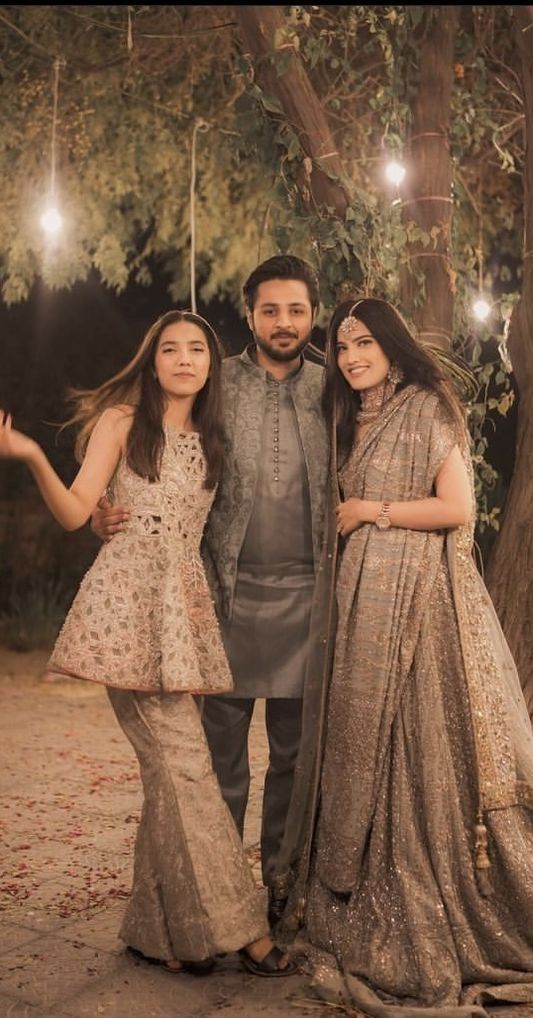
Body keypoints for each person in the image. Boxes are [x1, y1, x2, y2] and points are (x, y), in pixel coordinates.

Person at [273, 297, 533, 1015]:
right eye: (342, 348)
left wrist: (372, 511)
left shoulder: (427, 407)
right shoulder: (349, 417)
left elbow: (455, 508)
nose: (353, 357)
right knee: (363, 740)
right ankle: (354, 877)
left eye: (365, 343)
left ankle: (420, 888)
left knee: (410, 743)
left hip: (417, 601)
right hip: (361, 602)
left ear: (393, 348)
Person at [0, 310, 295, 977]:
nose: (185, 358)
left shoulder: (213, 437)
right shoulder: (120, 423)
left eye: (198, 349)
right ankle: (243, 928)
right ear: (152, 359)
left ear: (211, 366)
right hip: (123, 613)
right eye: (171, 348)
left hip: (181, 617)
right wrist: (31, 456)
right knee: (187, 770)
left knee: (170, 777)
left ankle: (159, 928)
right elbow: (78, 512)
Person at [93, 257, 329, 930]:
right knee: (217, 768)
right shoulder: (217, 381)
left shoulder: (333, 386)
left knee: (293, 762)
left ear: (312, 315)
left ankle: (280, 890)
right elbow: (151, 449)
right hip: (221, 603)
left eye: (296, 310)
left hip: (312, 606)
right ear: (249, 313)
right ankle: (212, 903)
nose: (283, 323)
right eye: (270, 310)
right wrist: (99, 509)